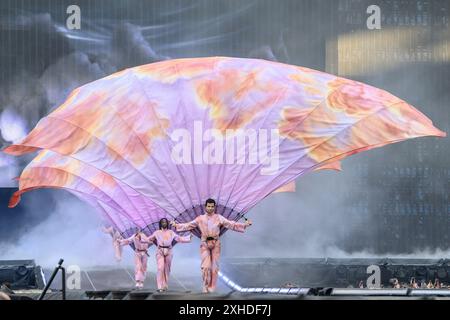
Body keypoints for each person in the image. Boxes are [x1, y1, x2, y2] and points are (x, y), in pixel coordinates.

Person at [170, 198, 252, 293]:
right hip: (205, 243)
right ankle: (205, 286)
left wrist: (244, 225)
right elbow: (188, 225)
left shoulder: (219, 217)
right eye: (208, 206)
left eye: (212, 206)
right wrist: (176, 225)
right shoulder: (200, 218)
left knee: (215, 267)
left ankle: (212, 288)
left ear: (214, 207)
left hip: (216, 243)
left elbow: (230, 224)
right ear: (205, 207)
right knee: (205, 267)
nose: (210, 208)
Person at [147, 218, 192, 292]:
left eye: (165, 222)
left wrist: (188, 238)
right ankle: (159, 286)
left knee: (167, 269)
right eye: (162, 222)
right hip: (160, 251)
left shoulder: (171, 232)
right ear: (160, 223)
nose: (164, 223)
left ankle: (165, 285)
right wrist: (141, 239)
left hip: (169, 251)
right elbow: (149, 239)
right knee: (160, 268)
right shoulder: (157, 232)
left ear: (167, 223)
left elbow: (178, 238)